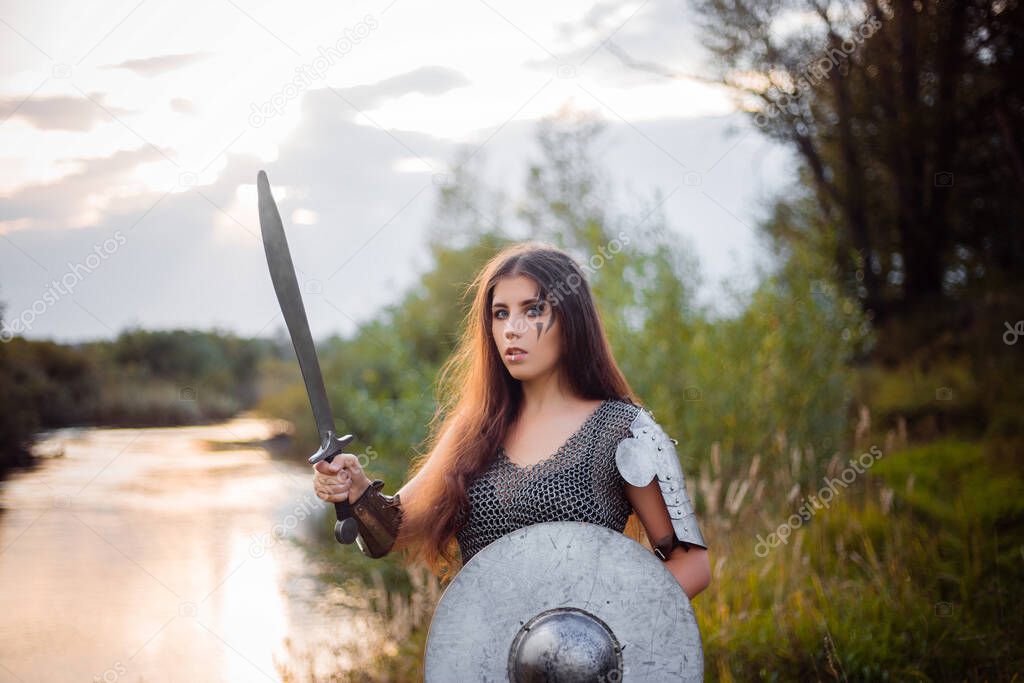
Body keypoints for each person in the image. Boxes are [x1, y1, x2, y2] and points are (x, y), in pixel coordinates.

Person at [312, 242, 711, 599]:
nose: (512, 330)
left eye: (533, 310)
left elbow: (690, 564)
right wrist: (357, 490)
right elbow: (393, 532)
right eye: (500, 314)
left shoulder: (623, 430)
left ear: (572, 320)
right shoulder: (475, 430)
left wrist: (607, 621)